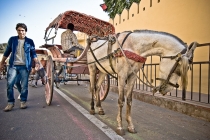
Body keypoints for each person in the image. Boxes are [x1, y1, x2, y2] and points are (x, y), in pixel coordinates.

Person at [0, 23, 39, 112]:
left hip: (25, 66)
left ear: (25, 31)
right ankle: (10, 103)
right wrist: (2, 63)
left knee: (24, 85)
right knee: (10, 84)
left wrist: (36, 62)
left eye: (23, 30)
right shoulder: (12, 40)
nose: (21, 32)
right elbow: (7, 52)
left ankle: (23, 101)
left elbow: (33, 53)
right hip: (13, 65)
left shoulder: (30, 41)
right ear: (17, 31)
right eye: (19, 30)